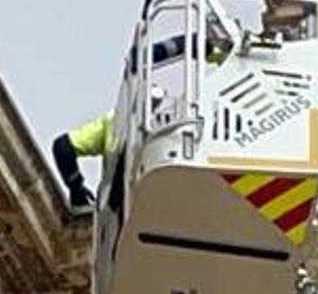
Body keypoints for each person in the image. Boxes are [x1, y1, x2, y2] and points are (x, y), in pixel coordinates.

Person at [52, 32, 231, 211]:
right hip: (151, 199)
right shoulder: (178, 129)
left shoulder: (115, 123)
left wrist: (76, 188)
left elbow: (63, 147)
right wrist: (198, 45)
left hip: (125, 208)